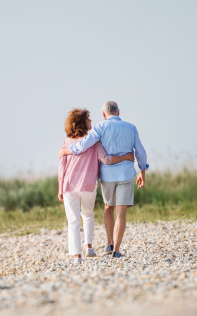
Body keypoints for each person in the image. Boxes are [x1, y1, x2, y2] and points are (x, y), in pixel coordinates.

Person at [59, 101, 149, 258]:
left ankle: (108, 243)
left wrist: (68, 150)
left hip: (106, 176)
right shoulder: (131, 128)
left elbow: (83, 145)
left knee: (108, 207)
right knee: (121, 213)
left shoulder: (99, 128)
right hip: (126, 174)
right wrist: (142, 170)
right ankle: (117, 251)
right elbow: (140, 152)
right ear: (118, 112)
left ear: (103, 114)